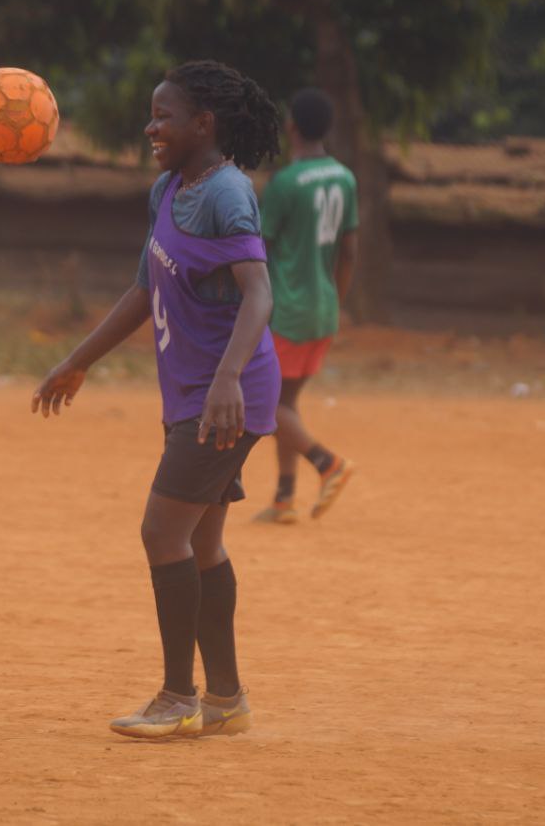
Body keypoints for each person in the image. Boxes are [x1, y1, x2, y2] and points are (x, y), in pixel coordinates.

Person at [31, 60, 282, 739]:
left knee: (160, 532)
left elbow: (259, 291)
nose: (151, 126)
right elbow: (145, 289)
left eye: (164, 115)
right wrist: (77, 361)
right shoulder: (170, 189)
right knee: (200, 540)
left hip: (225, 392)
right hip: (196, 390)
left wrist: (227, 379)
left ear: (205, 123)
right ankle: (226, 700)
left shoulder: (228, 192)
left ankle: (178, 697)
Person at [253, 88, 359, 525]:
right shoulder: (345, 178)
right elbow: (349, 251)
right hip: (323, 307)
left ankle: (327, 463)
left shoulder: (286, 184)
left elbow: (255, 251)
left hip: (287, 310)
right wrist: (337, 302)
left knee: (261, 402)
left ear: (291, 126)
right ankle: (283, 497)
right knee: (285, 404)